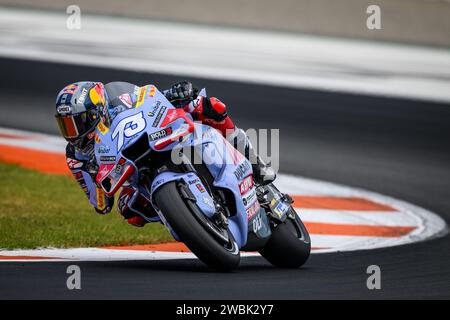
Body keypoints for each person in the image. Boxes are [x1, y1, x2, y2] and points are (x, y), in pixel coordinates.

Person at [55, 81, 275, 227]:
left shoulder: (117, 102)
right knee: (129, 211)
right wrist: (96, 174)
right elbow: (101, 205)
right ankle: (184, 215)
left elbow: (148, 97)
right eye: (66, 125)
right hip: (131, 174)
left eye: (77, 122)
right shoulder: (76, 156)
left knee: (208, 106)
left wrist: (176, 93)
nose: (73, 132)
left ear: (96, 112)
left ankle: (255, 165)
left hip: (155, 137)